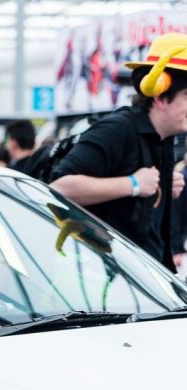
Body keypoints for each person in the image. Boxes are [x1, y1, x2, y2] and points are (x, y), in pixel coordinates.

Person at [50, 33, 187, 270]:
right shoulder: (118, 129)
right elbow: (59, 187)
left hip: (146, 282)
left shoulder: (165, 138)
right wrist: (132, 184)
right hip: (104, 281)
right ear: (161, 95)